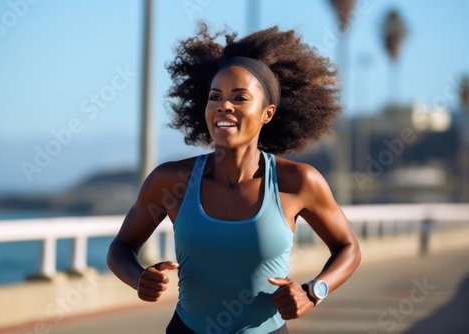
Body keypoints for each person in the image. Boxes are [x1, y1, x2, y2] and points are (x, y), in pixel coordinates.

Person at [107, 22, 361, 334]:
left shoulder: (298, 182)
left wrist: (314, 292)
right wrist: (138, 278)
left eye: (240, 98)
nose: (223, 105)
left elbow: (348, 247)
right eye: (215, 97)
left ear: (267, 113)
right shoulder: (171, 180)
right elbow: (120, 246)